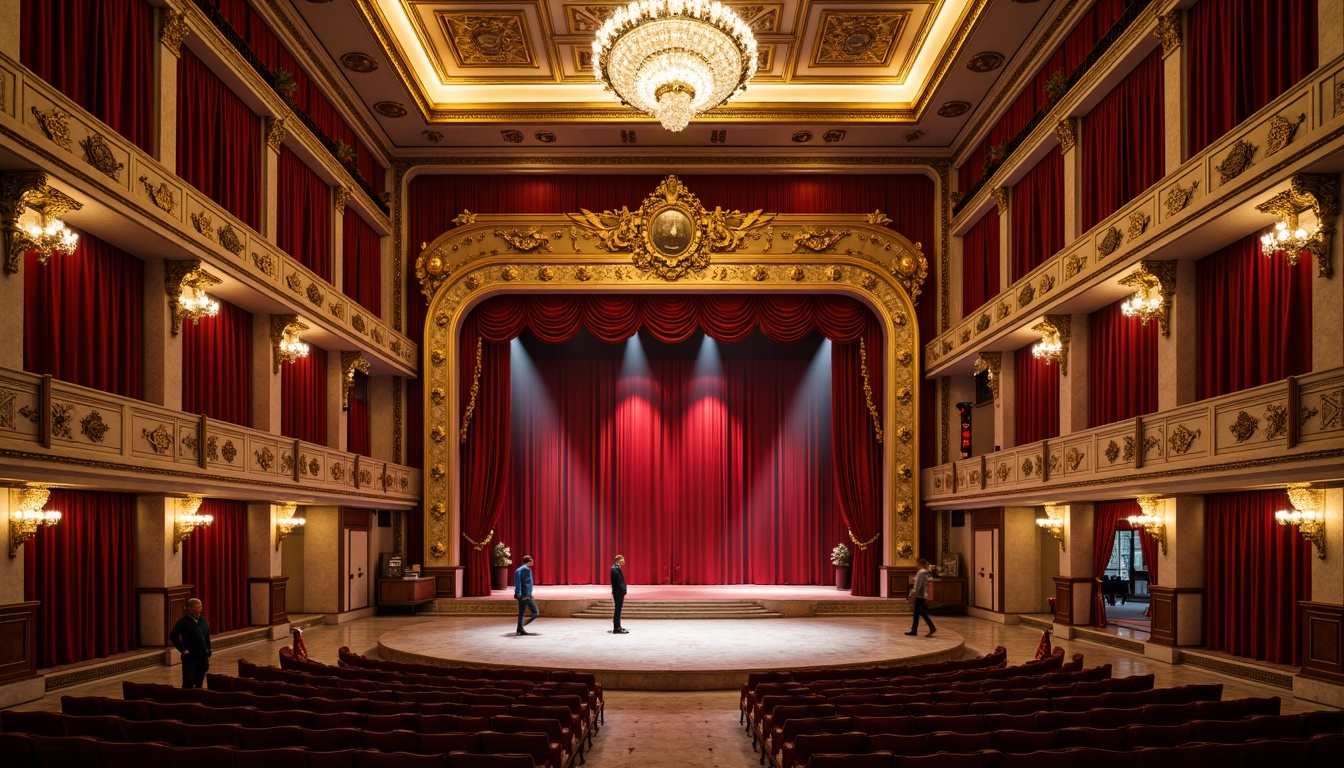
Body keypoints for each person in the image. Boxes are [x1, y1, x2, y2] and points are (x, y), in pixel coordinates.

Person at [170, 598, 212, 688]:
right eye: (198, 606)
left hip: (203, 656)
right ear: (191, 608)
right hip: (191, 658)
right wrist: (183, 649)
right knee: (188, 683)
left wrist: (208, 650)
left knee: (199, 682)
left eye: (201, 606)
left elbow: (207, 637)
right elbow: (173, 636)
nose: (201, 608)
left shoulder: (203, 620)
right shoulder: (183, 622)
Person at [905, 559, 937, 638]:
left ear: (920, 564)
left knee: (917, 613)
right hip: (923, 595)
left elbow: (918, 585)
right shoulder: (925, 573)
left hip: (919, 595)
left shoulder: (920, 572)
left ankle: (916, 630)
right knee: (921, 612)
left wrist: (912, 593)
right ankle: (916, 629)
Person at [514, 555, 539, 635]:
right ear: (530, 561)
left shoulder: (519, 569)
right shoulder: (526, 569)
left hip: (520, 595)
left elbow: (518, 583)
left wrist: (518, 594)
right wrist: (528, 595)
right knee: (535, 613)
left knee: (521, 612)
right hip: (525, 596)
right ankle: (522, 625)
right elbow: (526, 583)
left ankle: (519, 629)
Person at [610, 555, 629, 634]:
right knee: (618, 610)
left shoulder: (616, 568)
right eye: (622, 559)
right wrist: (623, 589)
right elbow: (619, 582)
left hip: (618, 592)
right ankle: (617, 628)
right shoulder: (615, 569)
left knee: (618, 610)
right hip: (618, 592)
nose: (624, 561)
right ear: (618, 560)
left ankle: (618, 626)